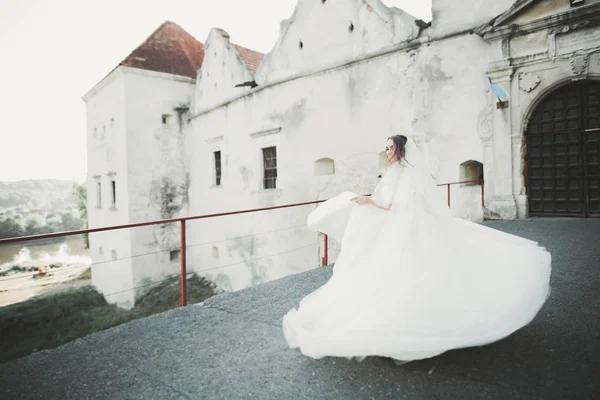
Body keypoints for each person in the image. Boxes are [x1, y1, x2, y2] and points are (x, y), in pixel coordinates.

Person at [282, 135, 551, 363]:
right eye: (386, 147)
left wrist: (366, 201)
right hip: (412, 227)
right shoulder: (409, 172)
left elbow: (390, 206)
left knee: (398, 275)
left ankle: (405, 329)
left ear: (399, 149)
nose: (386, 151)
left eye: (389, 147)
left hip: (402, 229)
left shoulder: (400, 172)